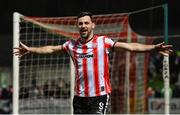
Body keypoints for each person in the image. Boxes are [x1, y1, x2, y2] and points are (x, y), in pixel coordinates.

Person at [14, 12, 173, 114]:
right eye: (80, 23)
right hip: (79, 98)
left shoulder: (104, 42)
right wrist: (30, 50)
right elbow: (50, 49)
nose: (83, 26)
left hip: (100, 96)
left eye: (86, 23)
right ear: (78, 26)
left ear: (92, 25)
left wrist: (153, 47)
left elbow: (130, 46)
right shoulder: (71, 45)